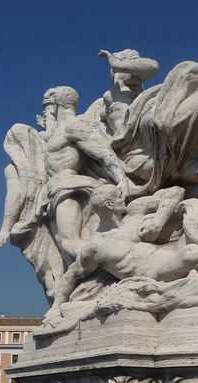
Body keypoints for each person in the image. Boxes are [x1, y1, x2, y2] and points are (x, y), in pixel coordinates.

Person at [47, 185, 198, 317]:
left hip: (172, 250)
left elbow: (175, 192)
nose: (124, 198)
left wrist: (158, 221)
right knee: (194, 254)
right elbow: (72, 275)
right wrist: (56, 308)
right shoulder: (97, 246)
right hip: (155, 272)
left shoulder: (133, 215)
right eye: (118, 197)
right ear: (109, 204)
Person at [43, 86, 134, 263]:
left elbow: (103, 153)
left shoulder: (72, 126)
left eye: (48, 104)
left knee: (71, 244)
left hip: (67, 187)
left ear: (56, 104)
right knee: (65, 248)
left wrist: (121, 180)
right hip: (54, 190)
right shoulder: (59, 130)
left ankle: (122, 261)